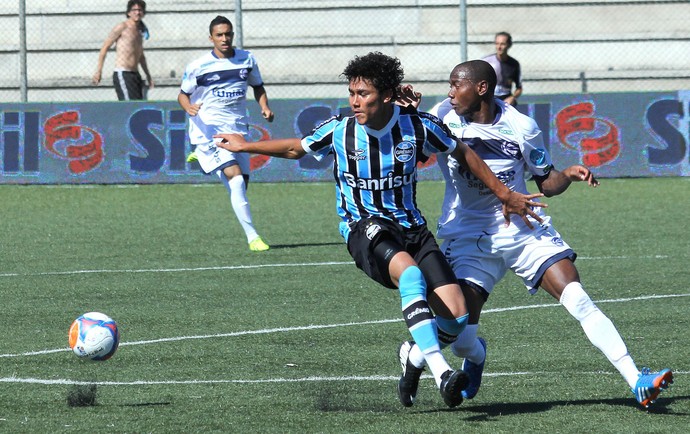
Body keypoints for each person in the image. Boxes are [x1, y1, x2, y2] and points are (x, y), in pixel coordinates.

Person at [213, 52, 546, 408]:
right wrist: (245, 144)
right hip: (364, 227)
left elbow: (462, 151)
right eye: (352, 93)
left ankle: (413, 358)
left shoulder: (417, 125)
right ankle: (442, 372)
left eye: (364, 94)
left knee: (457, 316)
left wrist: (504, 194)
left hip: (412, 228)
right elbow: (297, 148)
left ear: (387, 95)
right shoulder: (340, 130)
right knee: (411, 275)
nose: (355, 101)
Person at [398, 59, 673, 408]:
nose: (450, 92)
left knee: (577, 297)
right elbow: (412, 151)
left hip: (523, 229)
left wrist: (567, 176)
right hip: (467, 235)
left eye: (456, 84)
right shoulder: (442, 116)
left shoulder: (521, 126)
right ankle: (466, 354)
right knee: (461, 336)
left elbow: (546, 180)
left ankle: (637, 380)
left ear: (481, 88)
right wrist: (409, 117)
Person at [178, 15, 274, 252]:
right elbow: (182, 94)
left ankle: (203, 159)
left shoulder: (247, 59)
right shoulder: (198, 66)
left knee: (242, 184)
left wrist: (264, 106)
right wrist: (188, 107)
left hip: (237, 128)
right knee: (236, 178)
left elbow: (257, 86)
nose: (224, 39)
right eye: (219, 35)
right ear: (211, 38)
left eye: (228, 34)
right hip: (210, 130)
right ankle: (253, 237)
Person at [92, 0, 154, 101]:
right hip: (123, 73)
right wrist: (98, 71)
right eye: (134, 10)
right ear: (129, 12)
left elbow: (141, 56)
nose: (137, 12)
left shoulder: (140, 31)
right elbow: (105, 48)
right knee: (129, 107)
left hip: (135, 74)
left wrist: (148, 75)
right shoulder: (122, 27)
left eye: (140, 10)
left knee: (138, 107)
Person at [481, 32, 521, 107]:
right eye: (497, 43)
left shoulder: (514, 64)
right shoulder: (486, 61)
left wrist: (512, 97)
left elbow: (519, 88)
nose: (499, 47)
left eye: (503, 44)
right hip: (489, 99)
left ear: (509, 45)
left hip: (506, 101)